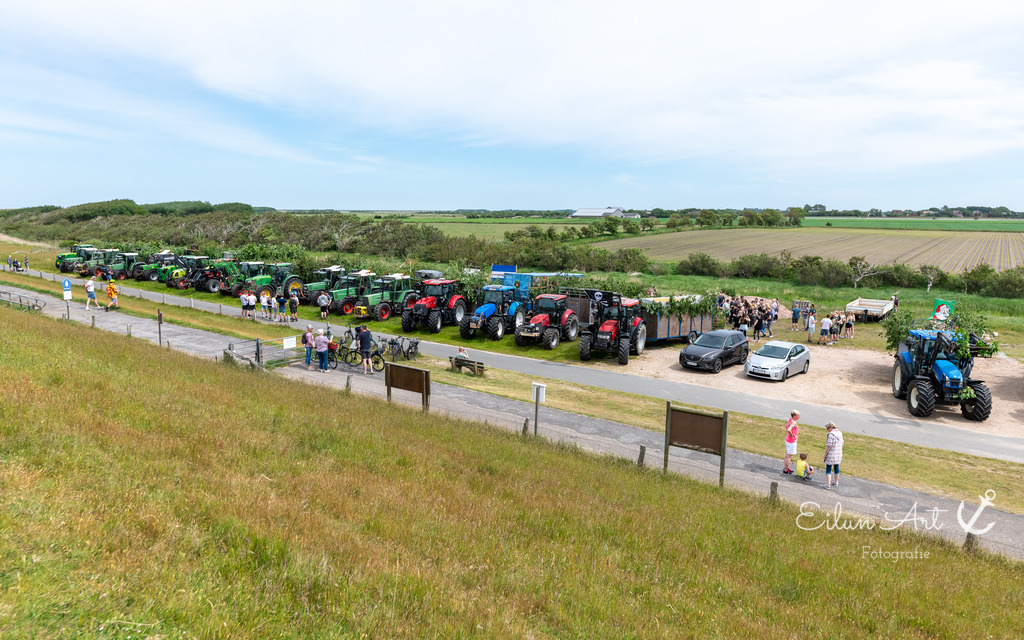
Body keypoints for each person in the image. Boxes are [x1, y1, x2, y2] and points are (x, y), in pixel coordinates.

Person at [823, 421, 844, 489]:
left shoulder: (830, 435)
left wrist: (825, 454)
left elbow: (829, 445)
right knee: (836, 467)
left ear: (830, 428)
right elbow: (842, 443)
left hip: (831, 454)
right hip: (838, 454)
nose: (827, 430)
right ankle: (836, 482)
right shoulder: (840, 433)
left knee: (828, 468)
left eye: (827, 428)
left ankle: (828, 484)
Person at [783, 410, 799, 474]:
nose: (799, 417)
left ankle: (786, 468)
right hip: (791, 441)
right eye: (798, 415)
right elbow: (789, 429)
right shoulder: (794, 422)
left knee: (787, 455)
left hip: (788, 440)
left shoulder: (790, 420)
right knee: (788, 456)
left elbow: (786, 426)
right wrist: (792, 435)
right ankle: (786, 470)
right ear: (794, 416)